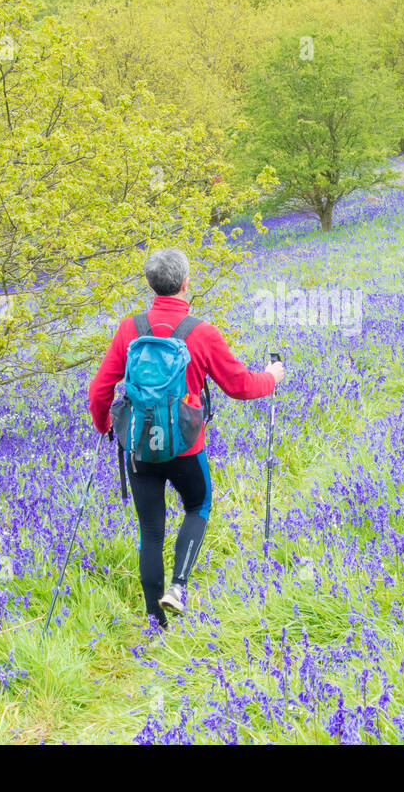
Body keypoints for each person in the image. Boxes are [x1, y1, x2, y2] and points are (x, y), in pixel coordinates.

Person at [88, 248, 284, 632]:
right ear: (185, 282)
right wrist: (273, 376)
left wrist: (106, 427)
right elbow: (241, 386)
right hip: (185, 446)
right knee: (198, 505)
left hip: (140, 449)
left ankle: (155, 625)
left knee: (150, 529)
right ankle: (178, 586)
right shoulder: (201, 331)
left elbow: (99, 391)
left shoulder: (130, 329)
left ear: (150, 284)